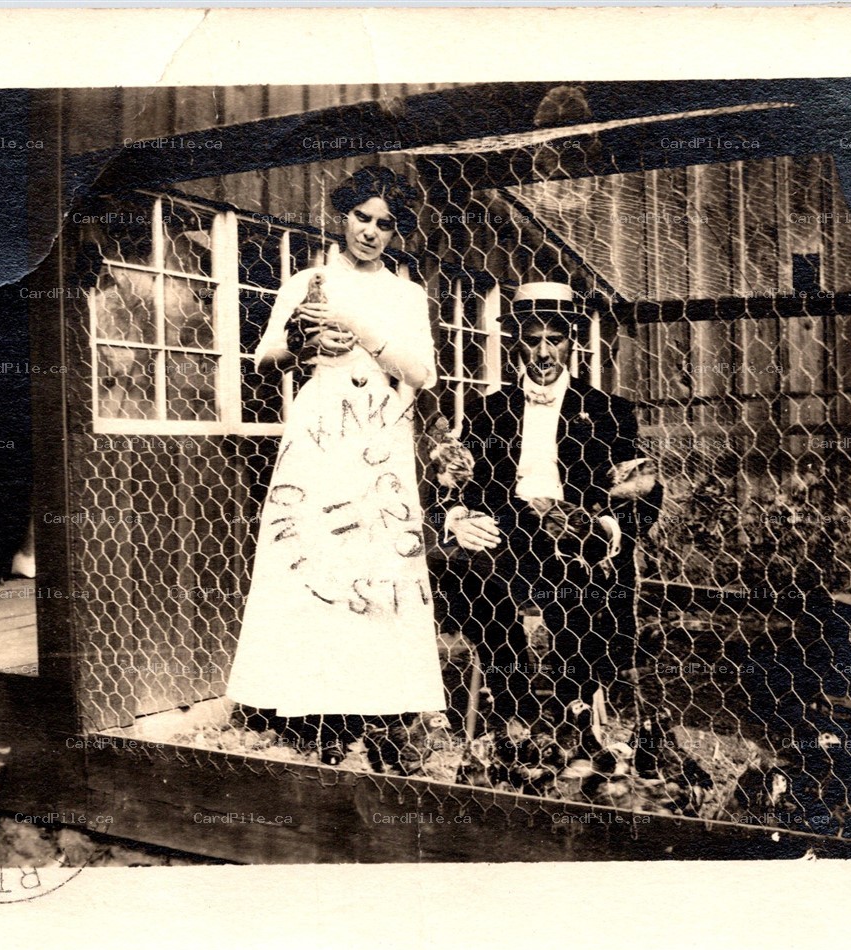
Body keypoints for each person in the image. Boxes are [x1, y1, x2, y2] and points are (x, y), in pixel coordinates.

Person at [225, 166, 446, 772]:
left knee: (376, 556)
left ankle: (380, 706)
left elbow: (422, 374)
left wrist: (361, 330)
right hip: (320, 435)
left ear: (396, 231)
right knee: (315, 554)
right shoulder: (308, 280)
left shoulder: (406, 294)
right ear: (341, 215)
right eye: (361, 218)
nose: (371, 233)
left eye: (385, 224)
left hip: (378, 435)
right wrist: (303, 346)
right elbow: (264, 356)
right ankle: (313, 707)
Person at [436, 281, 662, 744]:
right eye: (532, 338)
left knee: (581, 580)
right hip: (508, 528)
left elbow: (644, 487)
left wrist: (611, 523)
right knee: (472, 573)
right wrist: (459, 515)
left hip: (576, 532)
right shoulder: (487, 411)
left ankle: (571, 704)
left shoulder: (607, 411)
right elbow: (454, 480)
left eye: (554, 339)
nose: (542, 352)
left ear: (571, 342)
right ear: (517, 342)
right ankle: (512, 695)